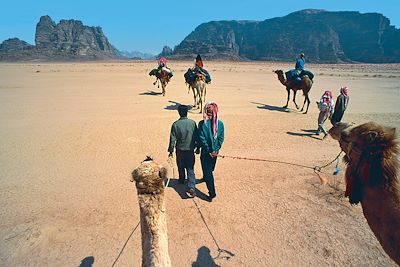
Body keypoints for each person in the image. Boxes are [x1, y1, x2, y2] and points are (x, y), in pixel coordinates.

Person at [168, 105, 198, 198]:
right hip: (190, 149)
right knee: (190, 168)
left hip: (180, 150)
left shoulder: (175, 124)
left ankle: (181, 179)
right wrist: (197, 148)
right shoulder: (192, 123)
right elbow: (196, 137)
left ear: (179, 112)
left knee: (180, 166)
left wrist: (170, 150)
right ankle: (191, 186)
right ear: (187, 112)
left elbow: (172, 139)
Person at [198, 102, 224, 201]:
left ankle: (212, 193)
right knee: (210, 169)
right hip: (215, 153)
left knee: (208, 171)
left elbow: (201, 138)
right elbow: (221, 138)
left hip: (206, 152)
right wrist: (216, 150)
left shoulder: (202, 123)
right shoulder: (220, 124)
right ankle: (205, 177)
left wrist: (209, 150)